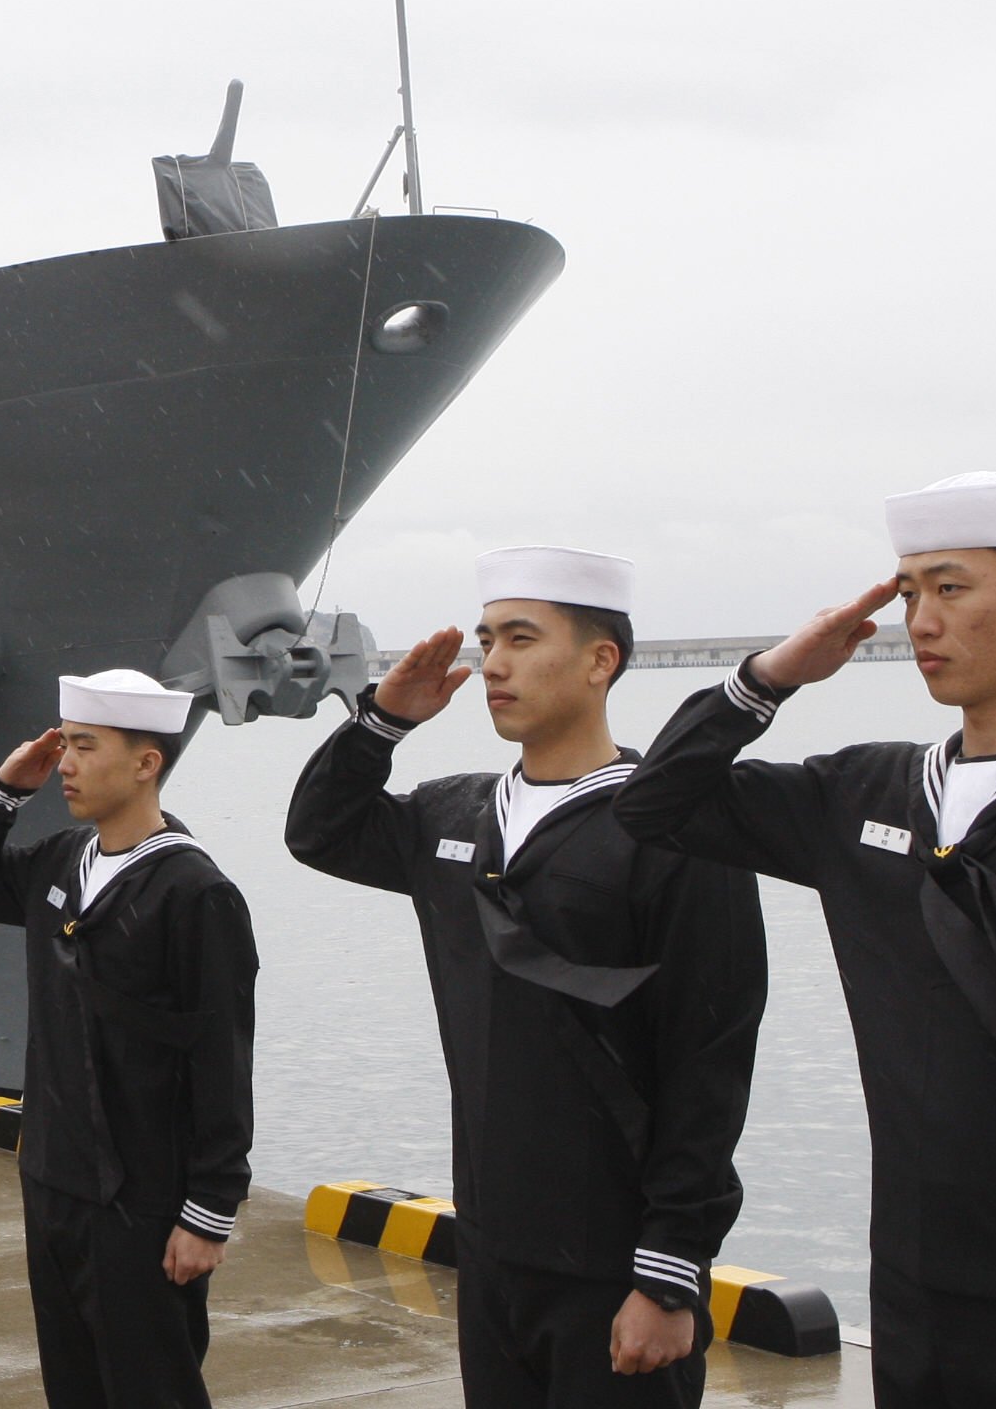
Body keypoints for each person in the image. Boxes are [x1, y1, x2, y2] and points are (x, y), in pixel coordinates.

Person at [615, 474, 996, 1409]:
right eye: (908, 593)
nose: (920, 620)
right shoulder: (864, 794)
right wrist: (772, 676)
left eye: (950, 588)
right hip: (916, 1302)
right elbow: (656, 804)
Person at [289, 548, 767, 1407]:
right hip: (495, 1246)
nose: (494, 663)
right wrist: (380, 724)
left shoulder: (671, 830)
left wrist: (668, 1275)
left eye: (521, 638)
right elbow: (320, 831)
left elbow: (711, 1055)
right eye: (486, 639)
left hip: (615, 1258)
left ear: (600, 660)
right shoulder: (455, 813)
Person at [0, 668, 258, 1409]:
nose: (68, 765)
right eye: (65, 746)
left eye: (85, 747)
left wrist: (208, 1212)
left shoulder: (194, 894)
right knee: (75, 1386)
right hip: (54, 1180)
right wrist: (2, 792)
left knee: (151, 1389)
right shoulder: (61, 862)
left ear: (147, 762)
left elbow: (222, 1059)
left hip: (141, 1199)